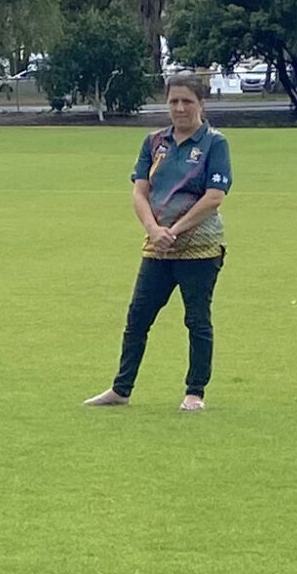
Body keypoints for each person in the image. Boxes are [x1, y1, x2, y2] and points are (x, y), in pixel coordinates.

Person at [84, 72, 232, 413]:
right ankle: (121, 389)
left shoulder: (214, 143)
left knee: (196, 319)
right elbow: (140, 190)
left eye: (187, 101)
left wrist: (174, 230)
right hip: (157, 247)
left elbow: (214, 196)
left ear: (201, 103)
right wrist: (153, 229)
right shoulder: (154, 142)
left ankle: (195, 392)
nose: (180, 108)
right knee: (138, 317)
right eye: (174, 101)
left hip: (200, 248)